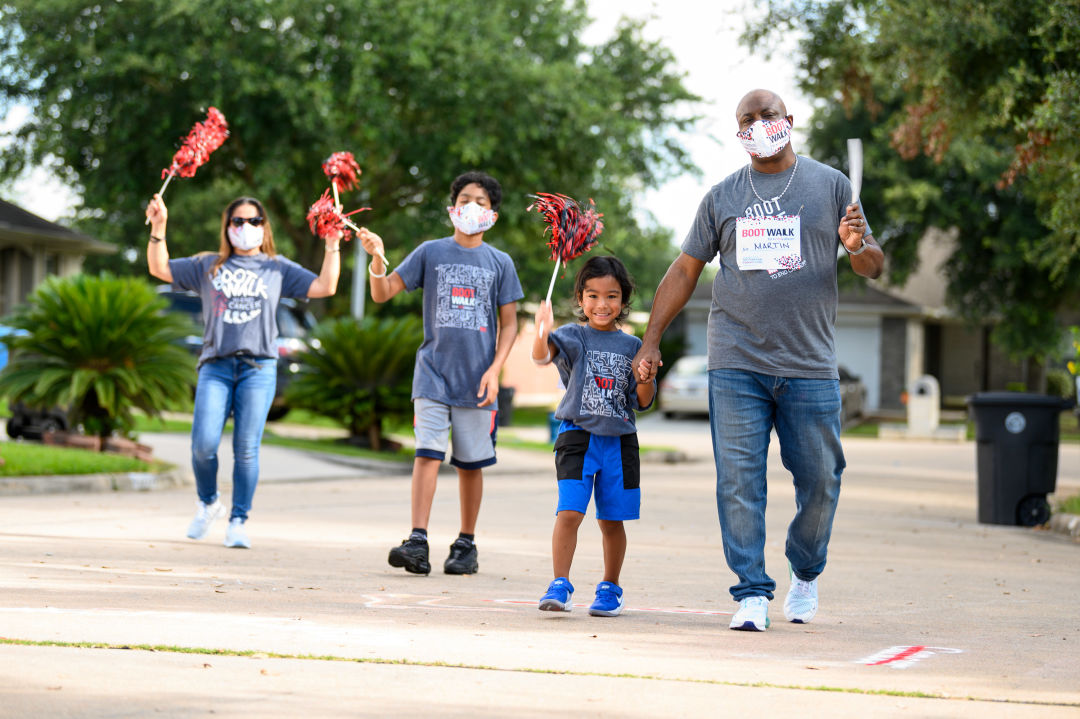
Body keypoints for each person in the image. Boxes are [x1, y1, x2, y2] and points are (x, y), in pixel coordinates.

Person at [634, 89, 884, 631]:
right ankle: (751, 592)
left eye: (767, 115)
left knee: (821, 478)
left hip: (809, 362)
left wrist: (857, 245)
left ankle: (807, 570)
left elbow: (872, 266)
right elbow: (684, 270)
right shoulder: (722, 196)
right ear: (739, 132)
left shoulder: (831, 185)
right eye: (746, 119)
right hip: (735, 358)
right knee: (739, 480)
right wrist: (652, 339)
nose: (758, 124)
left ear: (788, 121)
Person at [145, 194, 341, 548]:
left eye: (253, 221)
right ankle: (208, 503)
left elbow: (325, 287)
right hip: (215, 366)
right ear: (227, 226)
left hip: (258, 368)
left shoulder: (277, 267)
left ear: (264, 226)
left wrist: (332, 246)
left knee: (246, 448)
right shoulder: (208, 264)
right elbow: (160, 269)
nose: (246, 227)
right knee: (203, 445)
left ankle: (238, 520)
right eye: (238, 221)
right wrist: (159, 227)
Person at [358, 171, 523, 576]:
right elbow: (383, 293)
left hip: (478, 380)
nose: (471, 207)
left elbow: (510, 324)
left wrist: (495, 369)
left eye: (480, 202)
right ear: (452, 208)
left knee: (470, 463)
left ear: (493, 215)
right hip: (432, 374)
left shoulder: (501, 262)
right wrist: (377, 257)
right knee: (427, 454)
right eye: (464, 199)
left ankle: (465, 544)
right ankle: (417, 539)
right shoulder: (430, 252)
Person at [531, 256, 656, 617]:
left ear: (623, 300)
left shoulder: (634, 346)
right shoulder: (571, 336)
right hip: (577, 438)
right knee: (569, 512)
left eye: (612, 296)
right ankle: (560, 584)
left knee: (611, 521)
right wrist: (543, 329)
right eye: (593, 295)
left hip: (619, 443)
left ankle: (610, 588)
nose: (602, 304)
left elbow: (644, 401)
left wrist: (645, 375)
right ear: (581, 299)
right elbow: (541, 357)